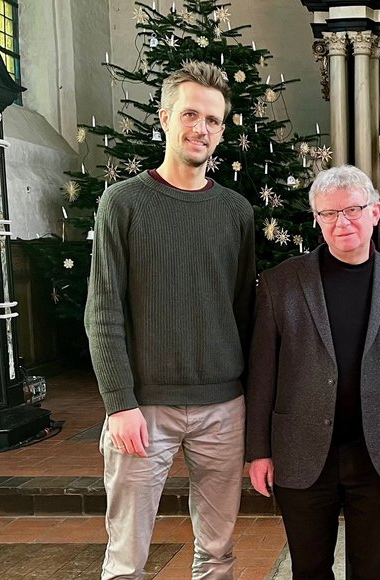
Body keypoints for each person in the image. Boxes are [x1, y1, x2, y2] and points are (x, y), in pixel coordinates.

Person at [85, 61, 255, 579]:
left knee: (218, 551)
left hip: (223, 408)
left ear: (222, 130)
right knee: (127, 557)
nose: (200, 128)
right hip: (144, 410)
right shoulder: (124, 202)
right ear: (165, 117)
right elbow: (104, 310)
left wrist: (249, 393)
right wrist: (119, 404)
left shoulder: (236, 211)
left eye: (212, 119)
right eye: (190, 114)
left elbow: (242, 311)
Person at [245, 165, 380, 579]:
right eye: (328, 214)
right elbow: (262, 373)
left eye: (351, 210)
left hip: (379, 452)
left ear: (375, 211)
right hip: (302, 449)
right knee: (310, 569)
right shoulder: (281, 283)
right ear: (316, 218)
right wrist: (258, 449)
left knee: (372, 570)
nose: (341, 222)